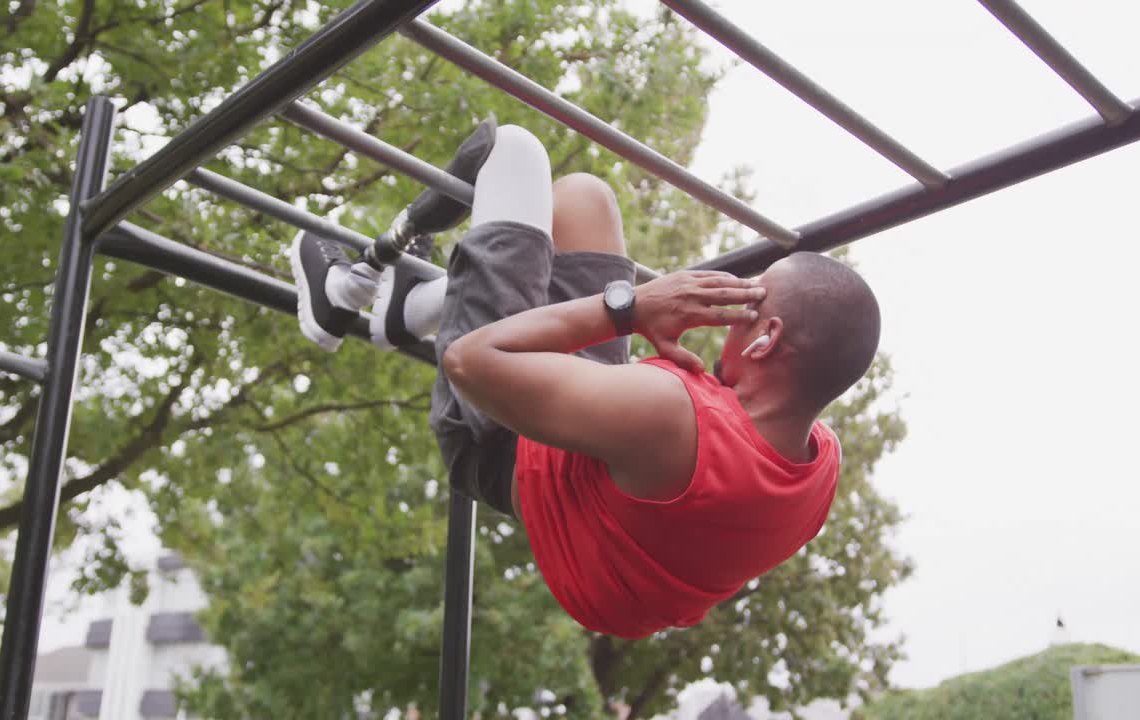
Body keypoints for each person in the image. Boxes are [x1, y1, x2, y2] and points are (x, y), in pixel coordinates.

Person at [290, 123, 881, 639]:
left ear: (765, 339)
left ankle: (350, 286)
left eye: (746, 299)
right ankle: (410, 310)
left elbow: (469, 361)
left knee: (513, 152)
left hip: (494, 431)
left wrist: (631, 307)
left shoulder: (677, 418)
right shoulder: (818, 465)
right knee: (582, 199)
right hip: (602, 459)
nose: (731, 302)